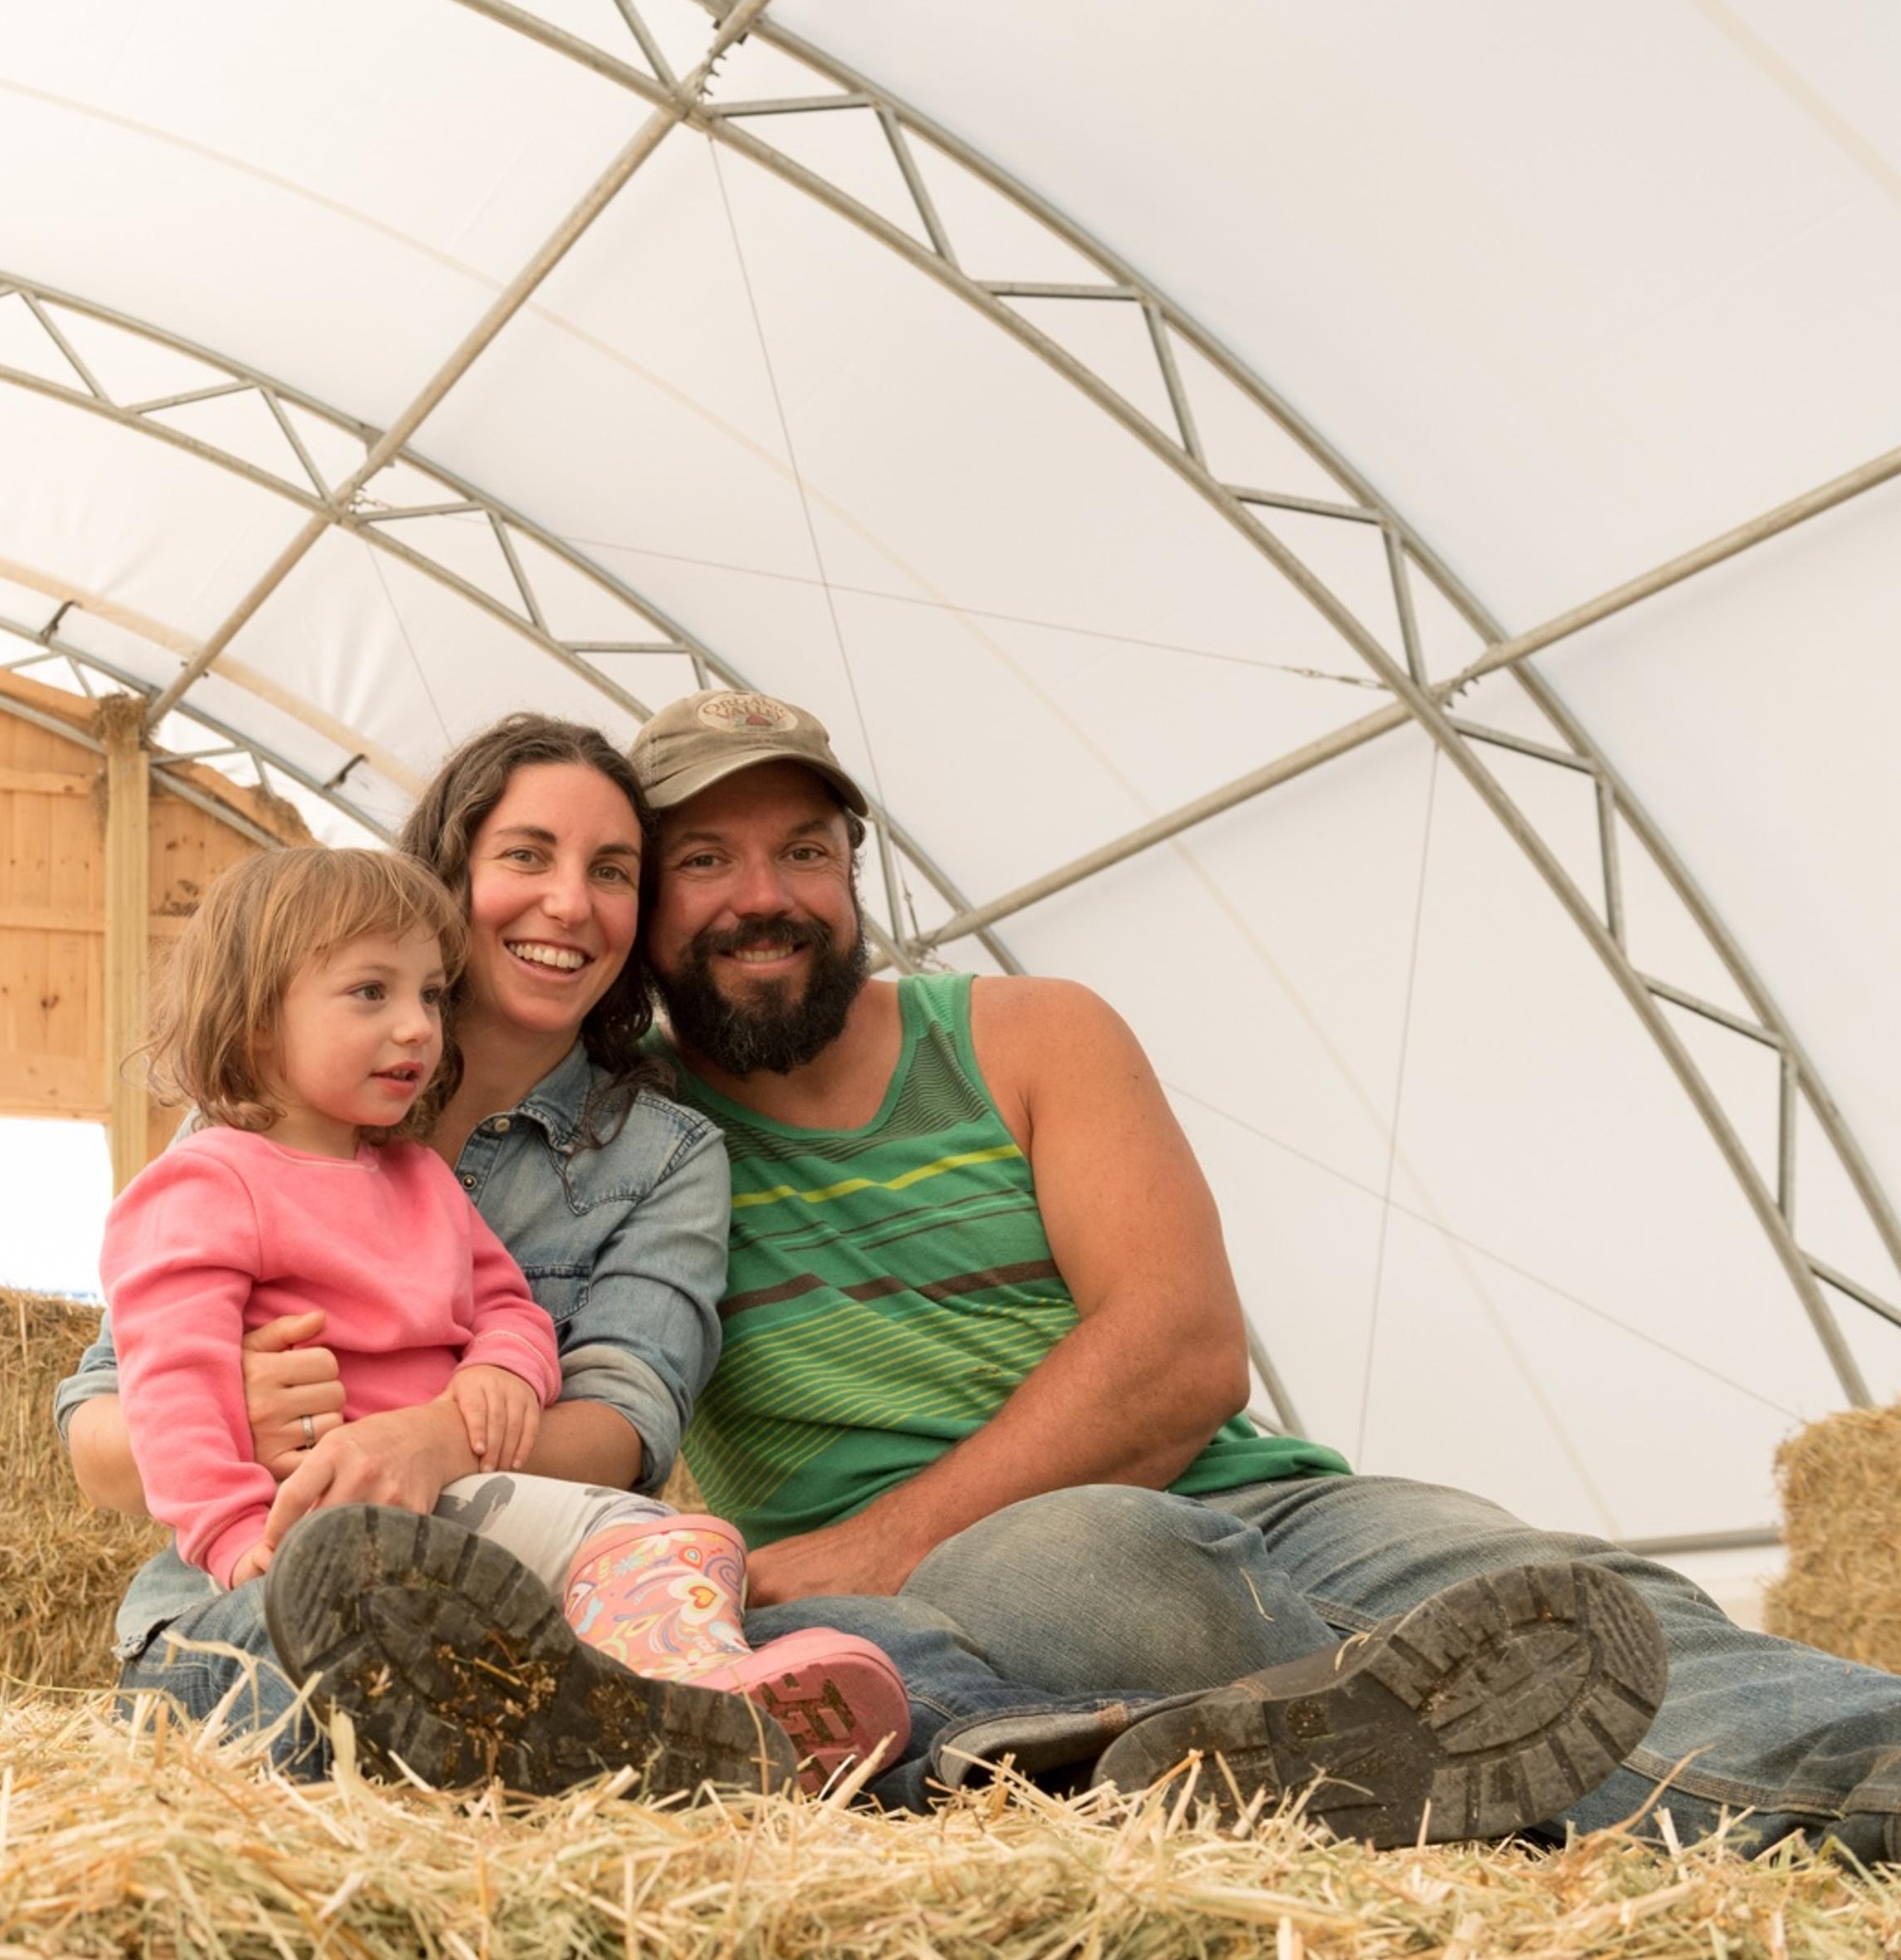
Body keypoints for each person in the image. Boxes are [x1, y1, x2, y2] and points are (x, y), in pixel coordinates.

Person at [281, 685, 1891, 1858]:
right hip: (1010, 1576)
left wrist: (861, 1544)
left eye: (805, 847)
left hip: (1249, 1493)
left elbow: (1184, 1351)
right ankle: (1432, 1762)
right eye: (699, 858)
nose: (762, 893)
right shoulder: (622, 1147)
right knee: (1116, 1567)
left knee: (1555, 1589)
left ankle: (1847, 1769)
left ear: (855, 870)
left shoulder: (1030, 1034)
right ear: (643, 910)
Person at [58, 715, 905, 1794]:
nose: (568, 903)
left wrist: (442, 1431)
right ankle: (608, 1754)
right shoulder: (256, 1125)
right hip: (247, 1600)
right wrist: (239, 1420)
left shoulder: (663, 1151)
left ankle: (676, 1717)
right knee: (328, 1664)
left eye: (612, 871)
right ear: (449, 873)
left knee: (664, 1569)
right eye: (525, 855)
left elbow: (624, 1423)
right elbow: (101, 1433)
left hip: (513, 1584)